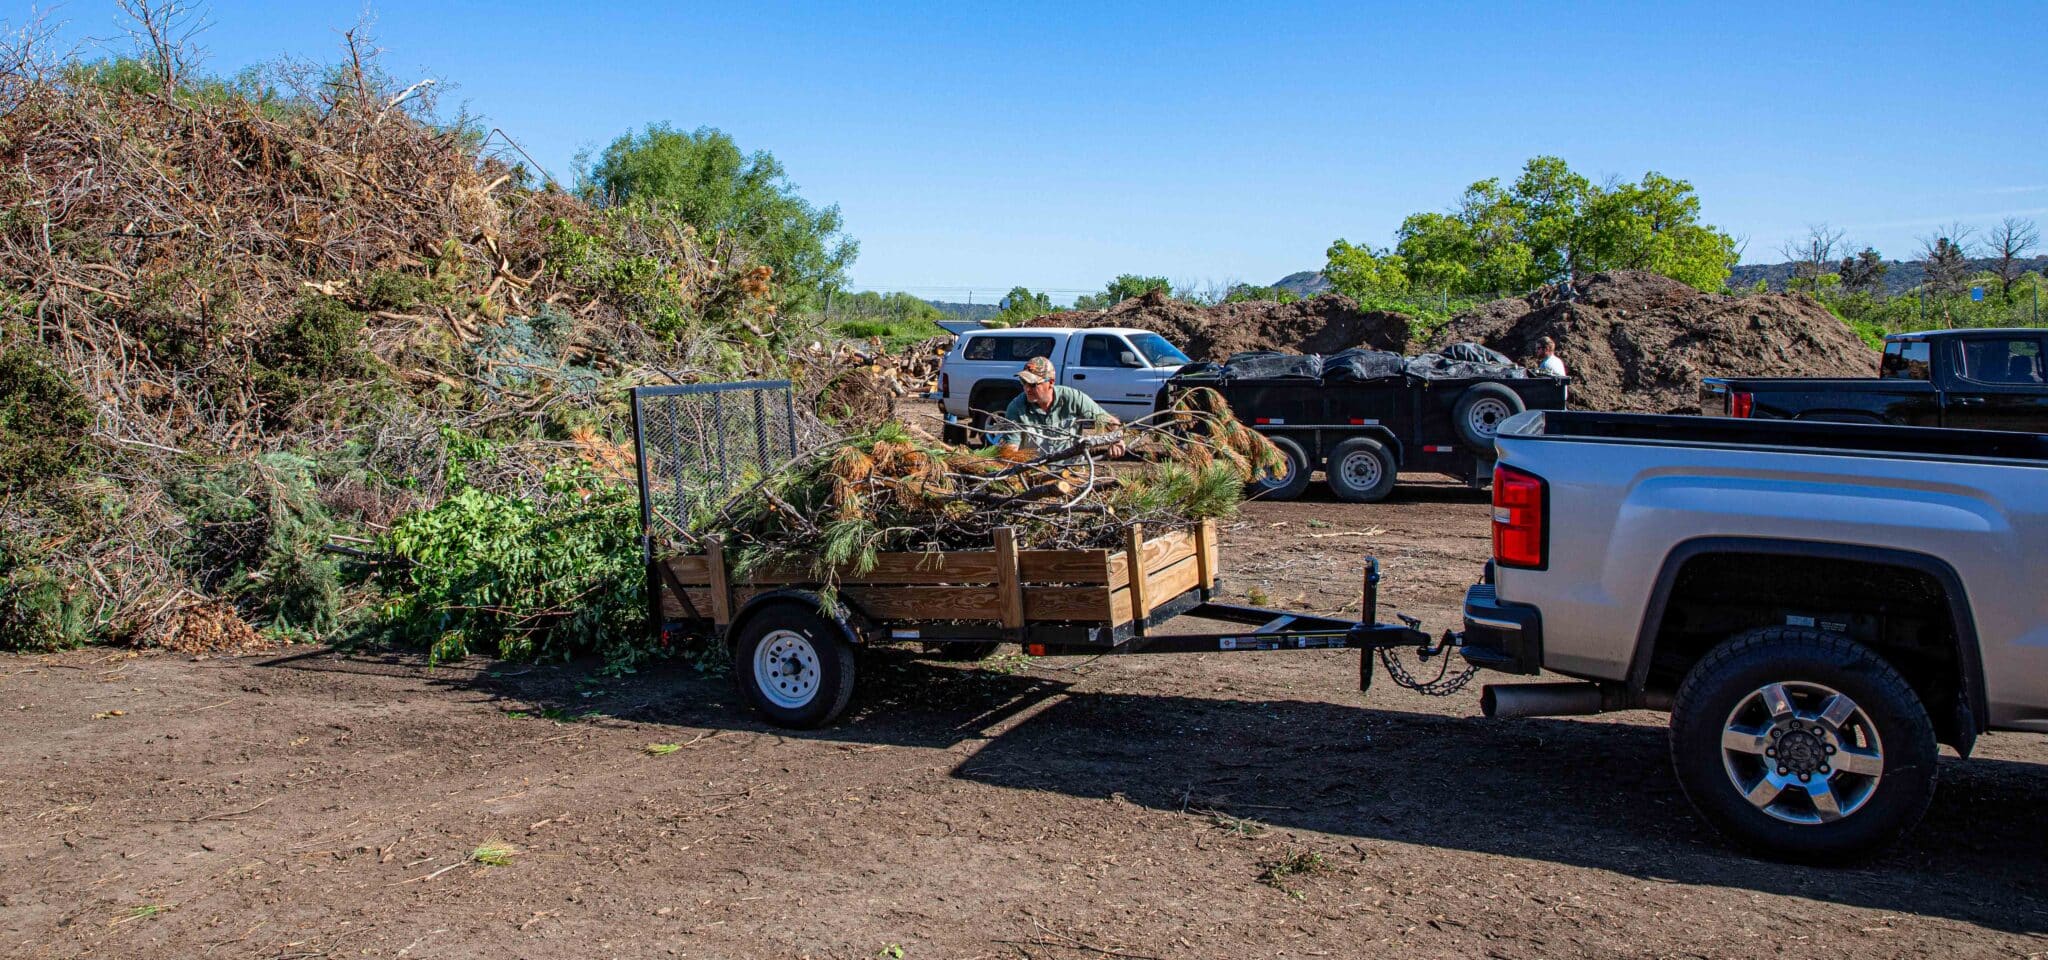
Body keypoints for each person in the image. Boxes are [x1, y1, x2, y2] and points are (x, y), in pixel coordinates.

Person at [991, 356, 1126, 456]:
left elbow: (1109, 421)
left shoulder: (1073, 398)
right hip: (1035, 474)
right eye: (1023, 382)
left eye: (1033, 384)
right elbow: (1010, 448)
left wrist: (1117, 439)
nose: (1027, 389)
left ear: (1051, 382)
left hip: (1070, 472)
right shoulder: (1016, 408)